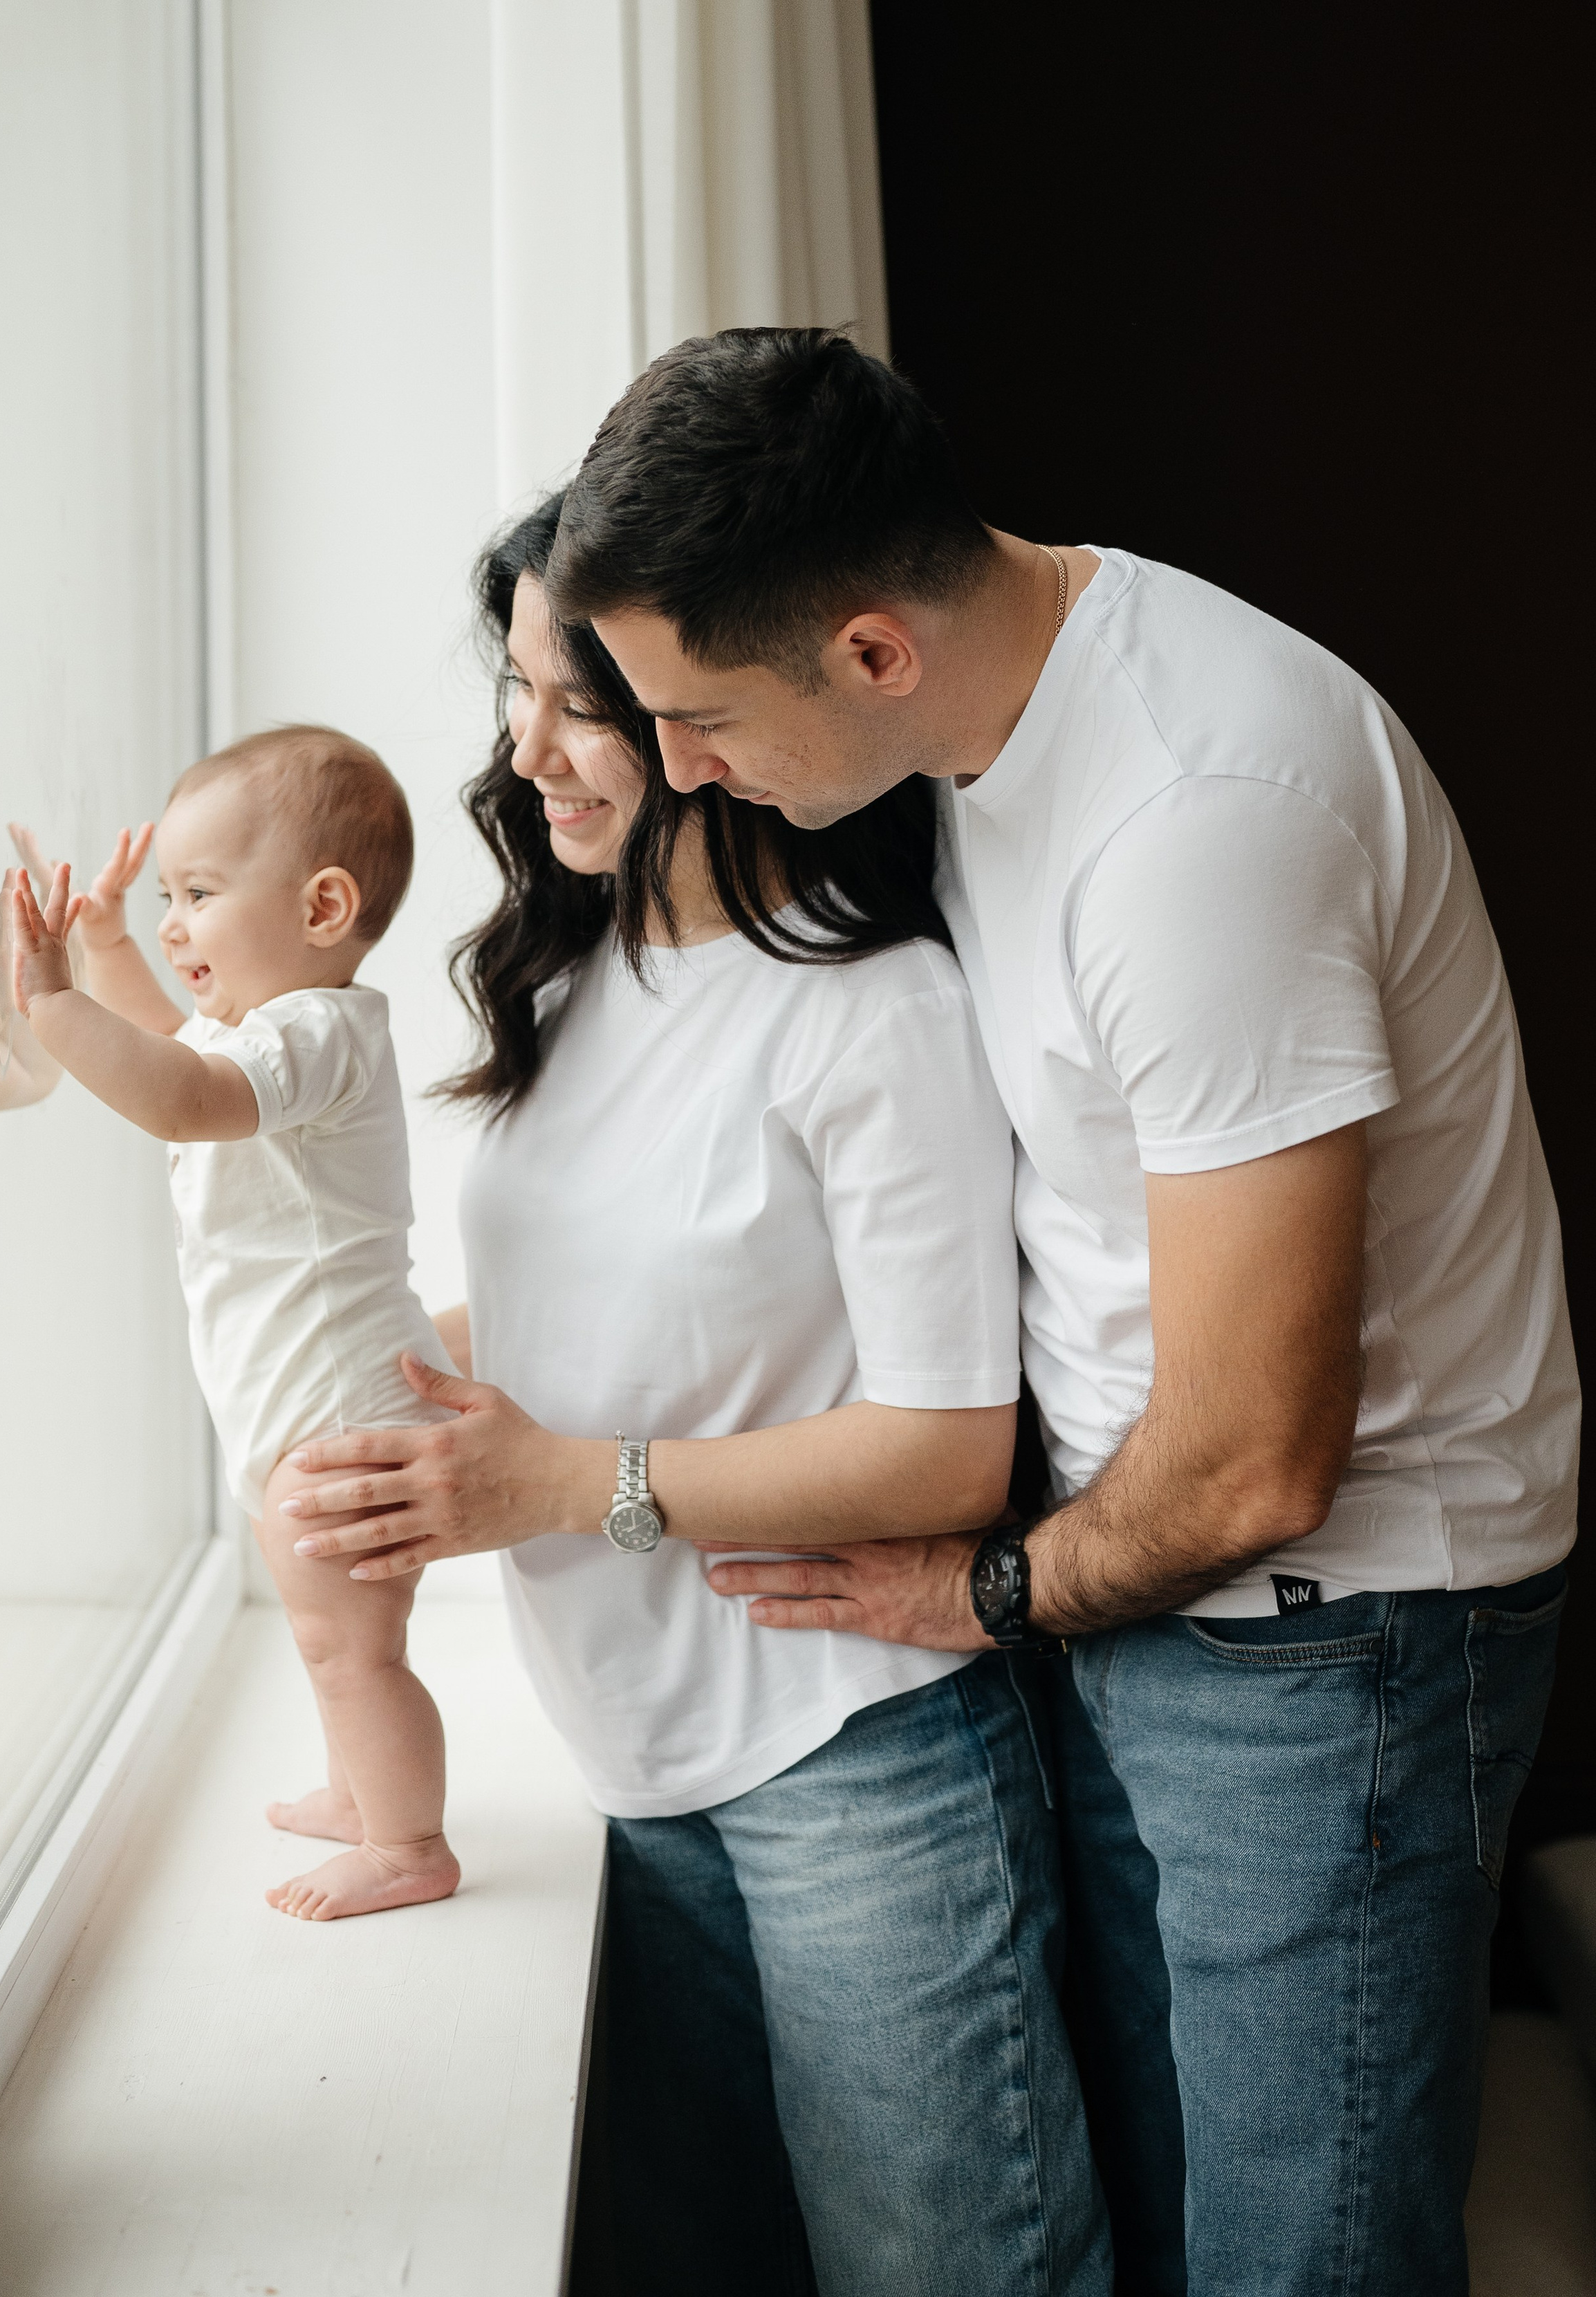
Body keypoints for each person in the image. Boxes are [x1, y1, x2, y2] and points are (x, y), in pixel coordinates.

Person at [536, 326, 1581, 2297]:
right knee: (1185, 2221)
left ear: (869, 648)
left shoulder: (1199, 816)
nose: (676, 772)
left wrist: (985, 1591)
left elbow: (1261, 1459)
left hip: (1333, 1630)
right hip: (1153, 1587)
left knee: (1295, 2262)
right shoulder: (988, 709)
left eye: (692, 716)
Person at [277, 497, 1110, 2297]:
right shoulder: (573, 968)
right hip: (629, 1754)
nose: (526, 751)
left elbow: (950, 1449)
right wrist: (345, 1383)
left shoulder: (870, 1011)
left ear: (691, 713)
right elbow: (591, 1301)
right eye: (514, 693)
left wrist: (554, 1485)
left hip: (853, 1765)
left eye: (576, 706)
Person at [8, 726, 458, 1923]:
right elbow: (174, 1044)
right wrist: (107, 944)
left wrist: (53, 1002)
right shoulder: (265, 1034)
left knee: (353, 1648)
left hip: (341, 1417)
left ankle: (408, 1844)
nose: (176, 924)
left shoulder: (317, 1033)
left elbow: (181, 1097)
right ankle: (361, 1797)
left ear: (322, 908)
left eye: (199, 895)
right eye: (168, 897)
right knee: (328, 1636)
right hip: (305, 1406)